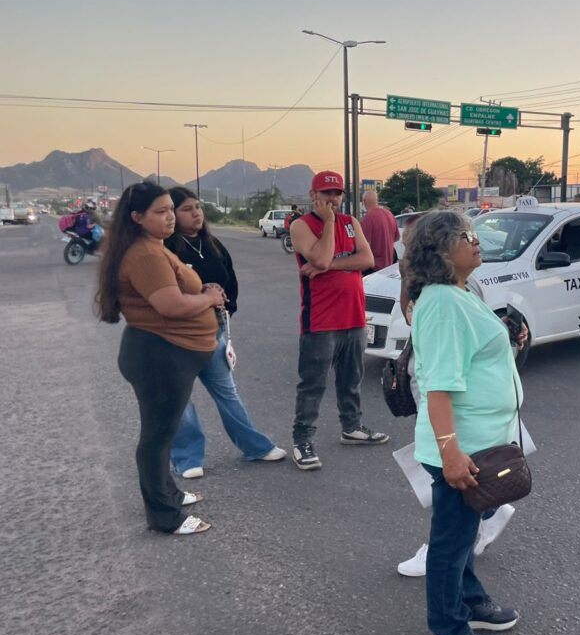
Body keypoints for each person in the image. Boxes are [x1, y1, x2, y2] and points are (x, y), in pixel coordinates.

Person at [404, 210, 522, 635]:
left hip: (481, 440)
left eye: (474, 233)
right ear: (438, 249)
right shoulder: (443, 302)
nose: (476, 240)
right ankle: (449, 634)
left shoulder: (461, 292)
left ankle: (470, 601)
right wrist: (451, 453)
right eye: (463, 236)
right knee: (450, 543)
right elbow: (438, 386)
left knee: (465, 531)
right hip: (462, 447)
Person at [95, 182, 224, 535]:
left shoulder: (153, 247)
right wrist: (210, 299)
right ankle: (164, 515)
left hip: (165, 353)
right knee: (157, 435)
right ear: (137, 217)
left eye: (171, 209)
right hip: (159, 356)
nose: (170, 217)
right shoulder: (147, 255)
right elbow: (171, 305)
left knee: (162, 433)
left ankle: (167, 493)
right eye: (160, 212)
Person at [165, 187, 286, 479]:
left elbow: (230, 282)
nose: (196, 213)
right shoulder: (165, 251)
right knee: (180, 398)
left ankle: (254, 446)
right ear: (172, 215)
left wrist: (226, 310)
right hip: (178, 336)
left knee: (227, 393)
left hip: (213, 332)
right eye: (187, 209)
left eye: (198, 207)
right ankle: (187, 458)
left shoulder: (213, 244)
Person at [289, 171, 389, 471]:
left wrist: (329, 265)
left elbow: (367, 260)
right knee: (313, 384)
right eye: (326, 193)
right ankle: (302, 440)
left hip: (354, 315)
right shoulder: (301, 226)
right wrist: (330, 223)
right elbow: (317, 259)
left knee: (351, 378)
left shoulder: (352, 223)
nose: (332, 200)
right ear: (312, 195)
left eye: (337, 194)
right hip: (320, 319)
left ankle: (352, 427)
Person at [360, 189, 400, 274]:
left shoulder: (367, 219)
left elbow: (364, 246)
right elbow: (397, 237)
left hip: (373, 268)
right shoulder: (389, 214)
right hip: (389, 266)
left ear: (364, 201)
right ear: (377, 201)